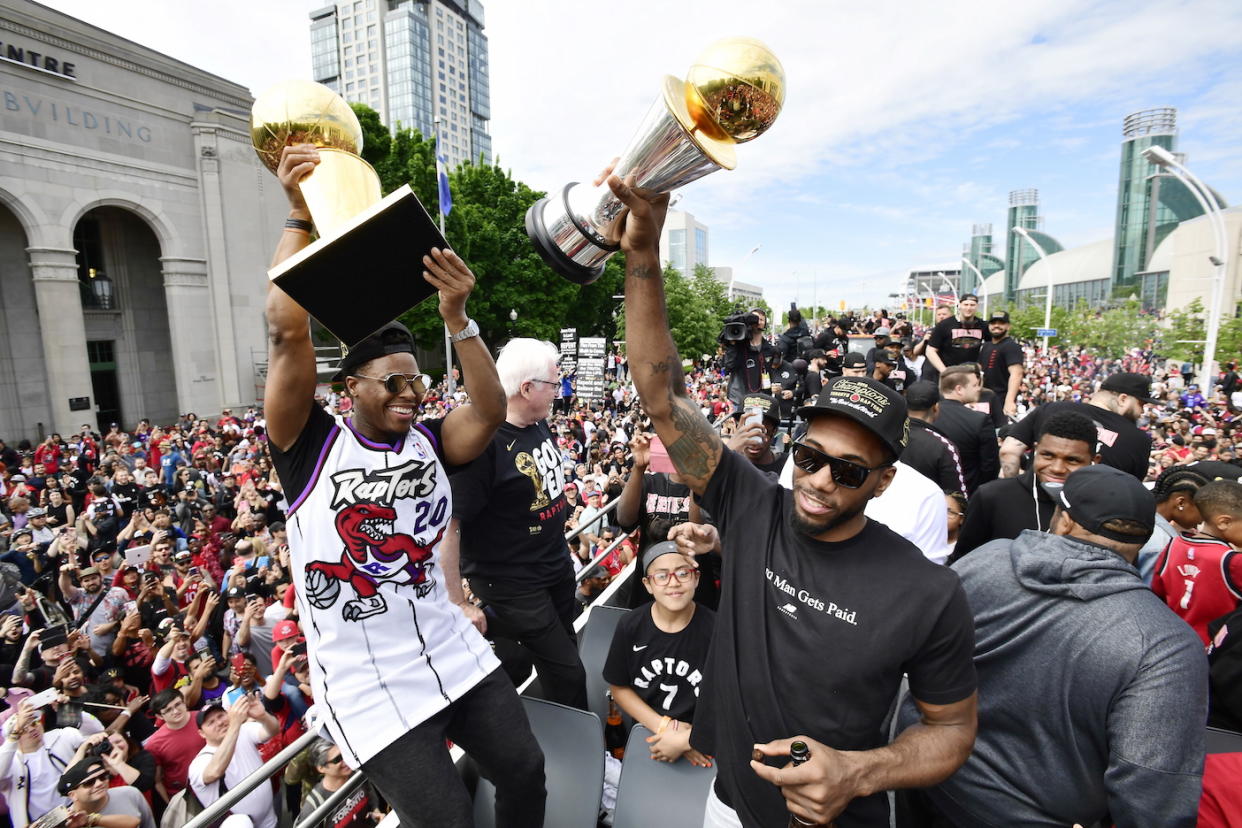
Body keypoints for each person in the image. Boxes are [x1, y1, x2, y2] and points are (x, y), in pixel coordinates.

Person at [607, 170, 977, 827]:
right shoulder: (753, 510)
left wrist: (860, 770)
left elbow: (952, 731)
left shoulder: (927, 592)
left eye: (849, 472)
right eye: (808, 458)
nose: (819, 481)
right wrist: (643, 255)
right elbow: (661, 397)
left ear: (884, 482)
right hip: (725, 805)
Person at [263, 143, 543, 827]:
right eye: (394, 381)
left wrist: (459, 320)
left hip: (447, 643)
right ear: (349, 386)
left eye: (417, 380)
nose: (411, 393)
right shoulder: (310, 445)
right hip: (369, 679)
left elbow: (487, 410)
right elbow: (284, 330)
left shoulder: (430, 439)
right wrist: (299, 214)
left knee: (527, 772)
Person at [904, 465, 1208, 826]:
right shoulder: (1165, 643)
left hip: (923, 774)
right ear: (1141, 541)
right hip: (984, 796)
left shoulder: (986, 559)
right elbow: (1154, 796)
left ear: (1063, 521)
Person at [450, 337, 589, 711]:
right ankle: (582, 746)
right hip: (514, 583)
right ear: (527, 388)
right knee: (569, 673)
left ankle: (563, 724)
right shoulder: (484, 444)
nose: (558, 393)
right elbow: (451, 525)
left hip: (553, 566)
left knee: (564, 652)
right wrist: (458, 601)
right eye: (553, 385)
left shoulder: (536, 424)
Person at [603, 541, 714, 767]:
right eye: (662, 576)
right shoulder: (630, 625)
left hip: (704, 737)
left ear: (696, 578)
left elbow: (732, 700)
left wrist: (690, 740)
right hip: (649, 732)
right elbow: (619, 686)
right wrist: (666, 729)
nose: (673, 582)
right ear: (647, 584)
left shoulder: (718, 630)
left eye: (683, 573)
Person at [952, 410, 1099, 560]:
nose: (1057, 468)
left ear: (1095, 461)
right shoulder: (992, 497)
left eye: (1072, 460)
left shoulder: (1103, 509)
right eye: (1048, 455)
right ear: (1035, 450)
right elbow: (962, 563)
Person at [1000, 371, 1156, 480]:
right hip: (1089, 522)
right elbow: (1131, 488)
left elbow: (1008, 451)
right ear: (1123, 399)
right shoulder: (1139, 439)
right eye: (1141, 404)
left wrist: (1018, 488)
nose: (1141, 412)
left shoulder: (1052, 408)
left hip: (1033, 507)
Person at [1151, 479, 1242, 645]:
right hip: (1216, 652)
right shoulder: (1233, 562)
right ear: (1224, 522)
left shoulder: (1172, 545)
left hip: (1174, 642)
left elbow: (1157, 593)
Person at [187, 700, 279, 828]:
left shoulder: (243, 731)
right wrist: (235, 724)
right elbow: (214, 772)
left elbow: (273, 730)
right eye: (211, 722)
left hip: (269, 820)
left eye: (220, 716)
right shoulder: (199, 762)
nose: (219, 722)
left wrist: (262, 715)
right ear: (201, 733)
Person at [0, 701, 86, 827]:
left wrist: (67, 707)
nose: (31, 729)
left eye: (34, 723)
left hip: (77, 810)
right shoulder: (10, 761)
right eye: (24, 729)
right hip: (43, 823)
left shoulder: (60, 736)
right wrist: (15, 732)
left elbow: (94, 732)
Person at [1136, 465, 1210, 584]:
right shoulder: (1162, 545)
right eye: (1202, 510)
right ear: (1181, 502)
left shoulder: (1138, 516)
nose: (1202, 519)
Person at [933, 365, 999, 495]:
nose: (979, 389)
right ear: (959, 389)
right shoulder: (980, 420)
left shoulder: (928, 415)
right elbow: (990, 466)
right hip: (968, 495)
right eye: (974, 385)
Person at [298, 739, 385, 828]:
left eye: (344, 753)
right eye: (337, 759)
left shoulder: (357, 774)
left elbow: (371, 798)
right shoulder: (315, 806)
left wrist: (376, 813)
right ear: (321, 768)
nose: (345, 760)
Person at [900, 382, 966, 494]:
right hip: (928, 509)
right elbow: (957, 496)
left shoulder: (888, 435)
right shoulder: (943, 447)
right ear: (936, 408)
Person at [142, 689, 204, 807]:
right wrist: (172, 806)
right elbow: (158, 781)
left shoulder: (203, 718)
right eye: (168, 710)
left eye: (178, 704)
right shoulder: (154, 743)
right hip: (186, 797)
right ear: (160, 716)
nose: (176, 711)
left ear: (184, 702)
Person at [58, 757, 155, 828]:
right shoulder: (69, 821)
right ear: (73, 795)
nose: (99, 783)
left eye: (103, 776)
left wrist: (91, 819)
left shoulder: (130, 793)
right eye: (89, 783)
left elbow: (143, 823)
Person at [924, 294, 986, 380]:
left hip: (972, 375)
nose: (968, 308)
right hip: (949, 375)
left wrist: (982, 366)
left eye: (972, 305)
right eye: (966, 304)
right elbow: (930, 351)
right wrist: (944, 371)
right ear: (959, 306)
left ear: (977, 307)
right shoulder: (944, 325)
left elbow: (991, 347)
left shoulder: (983, 325)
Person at [977, 310, 1024, 419]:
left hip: (1000, 400)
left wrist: (1009, 400)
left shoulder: (1011, 346)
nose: (996, 326)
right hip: (984, 399)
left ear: (1008, 326)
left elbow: (1016, 374)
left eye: (1001, 323)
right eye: (993, 323)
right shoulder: (986, 346)